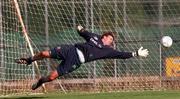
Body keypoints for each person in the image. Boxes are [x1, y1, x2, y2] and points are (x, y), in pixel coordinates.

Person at [15, 25, 149, 90]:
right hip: (71, 50)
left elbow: (121, 55)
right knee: (44, 54)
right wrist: (80, 29)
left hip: (76, 61)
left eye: (113, 40)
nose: (112, 41)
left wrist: (136, 53)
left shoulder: (108, 50)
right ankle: (29, 60)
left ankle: (40, 82)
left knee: (51, 77)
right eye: (111, 38)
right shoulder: (94, 37)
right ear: (105, 36)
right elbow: (83, 32)